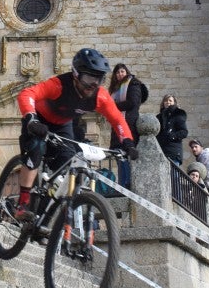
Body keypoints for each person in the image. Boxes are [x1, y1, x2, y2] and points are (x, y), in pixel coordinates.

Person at [14, 48, 137, 220]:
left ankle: (43, 218)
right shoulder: (59, 85)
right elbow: (27, 93)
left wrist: (128, 142)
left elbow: (117, 120)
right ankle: (22, 203)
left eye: (98, 79)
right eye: (88, 78)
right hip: (39, 121)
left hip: (63, 124)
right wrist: (31, 118)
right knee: (35, 149)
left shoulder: (100, 96)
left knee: (66, 170)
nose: (93, 85)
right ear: (76, 74)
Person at [107, 63, 143, 189]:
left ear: (126, 72)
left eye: (122, 71)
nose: (120, 74)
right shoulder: (115, 89)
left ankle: (128, 184)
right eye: (117, 72)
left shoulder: (133, 84)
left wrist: (113, 107)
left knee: (127, 155)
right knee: (119, 155)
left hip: (128, 124)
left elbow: (133, 102)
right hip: (117, 126)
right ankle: (122, 184)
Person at [155, 94, 188, 164]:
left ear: (174, 103)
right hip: (162, 152)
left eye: (170, 100)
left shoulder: (178, 115)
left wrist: (172, 136)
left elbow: (184, 132)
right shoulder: (159, 117)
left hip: (173, 152)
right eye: (166, 100)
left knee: (173, 174)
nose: (168, 102)